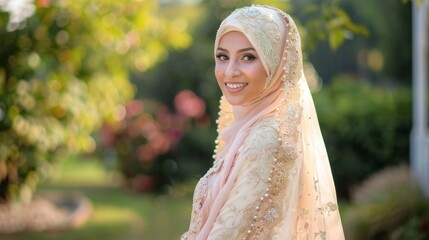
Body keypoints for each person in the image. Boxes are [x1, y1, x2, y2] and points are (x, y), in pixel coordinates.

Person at [181, 5, 344, 240]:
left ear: (276, 64)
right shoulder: (252, 130)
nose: (230, 71)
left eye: (248, 57)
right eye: (222, 57)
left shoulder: (267, 138)